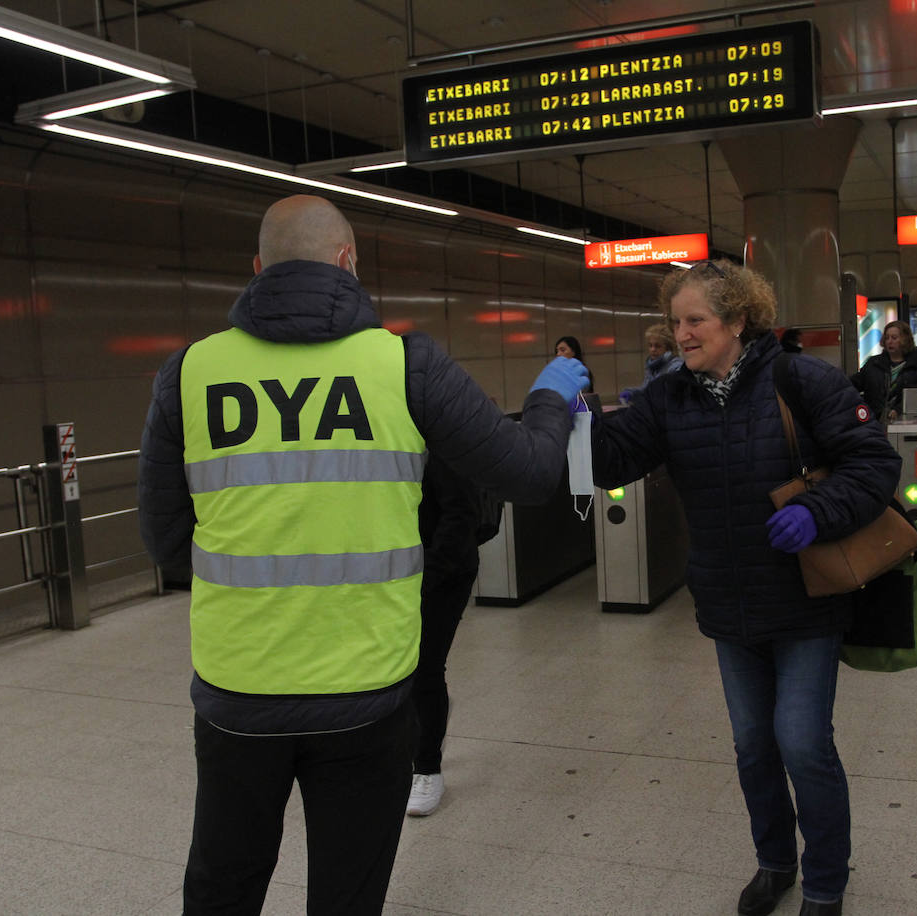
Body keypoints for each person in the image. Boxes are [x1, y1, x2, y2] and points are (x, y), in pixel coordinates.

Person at [136, 194, 588, 915]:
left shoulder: (189, 373)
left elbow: (165, 541)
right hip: (367, 691)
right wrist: (550, 394)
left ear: (257, 270)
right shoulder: (403, 363)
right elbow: (530, 474)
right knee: (347, 895)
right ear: (349, 262)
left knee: (223, 886)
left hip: (238, 690)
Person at [588, 259, 901, 916]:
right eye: (676, 322)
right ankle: (774, 862)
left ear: (736, 320)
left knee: (802, 742)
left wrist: (816, 511)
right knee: (752, 744)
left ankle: (824, 884)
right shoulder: (670, 397)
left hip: (806, 599)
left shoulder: (802, 380)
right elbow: (612, 459)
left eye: (695, 320)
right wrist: (570, 418)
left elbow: (873, 463)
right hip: (727, 602)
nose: (682, 334)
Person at [405, 455, 481, 818]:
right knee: (399, 669)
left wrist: (426, 580)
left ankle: (427, 768)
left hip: (443, 572)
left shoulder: (440, 442)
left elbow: (461, 516)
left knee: (425, 667)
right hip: (395, 573)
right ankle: (428, 718)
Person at [850, 319, 917, 422]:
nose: (889, 341)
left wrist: (899, 409)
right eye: (887, 338)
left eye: (894, 338)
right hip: (875, 420)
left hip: (906, 421)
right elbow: (855, 383)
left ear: (905, 340)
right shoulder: (874, 363)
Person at [621, 323, 684, 403]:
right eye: (650, 345)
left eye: (657, 346)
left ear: (668, 348)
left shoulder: (676, 367)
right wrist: (631, 393)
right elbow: (646, 390)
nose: (653, 349)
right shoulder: (652, 367)